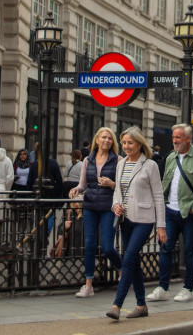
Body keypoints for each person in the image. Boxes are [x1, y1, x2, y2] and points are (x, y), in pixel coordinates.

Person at [146, 124, 193, 304]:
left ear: (188, 139)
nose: (175, 141)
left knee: (190, 250)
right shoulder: (170, 157)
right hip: (170, 211)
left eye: (179, 138)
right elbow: (165, 182)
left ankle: (188, 289)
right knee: (165, 248)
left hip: (189, 213)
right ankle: (163, 288)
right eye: (174, 137)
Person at [106, 127, 166, 320]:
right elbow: (117, 191)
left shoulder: (150, 165)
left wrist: (161, 226)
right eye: (123, 143)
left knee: (129, 257)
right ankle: (141, 305)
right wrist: (116, 205)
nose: (126, 146)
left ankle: (117, 304)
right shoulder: (120, 163)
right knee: (134, 262)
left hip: (144, 219)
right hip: (125, 219)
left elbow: (158, 196)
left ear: (140, 143)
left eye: (130, 143)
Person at [69, 127, 122, 298]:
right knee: (90, 245)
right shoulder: (87, 160)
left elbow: (121, 186)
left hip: (108, 207)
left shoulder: (118, 160)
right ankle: (88, 284)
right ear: (97, 140)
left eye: (110, 138)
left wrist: (111, 184)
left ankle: (123, 271)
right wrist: (76, 189)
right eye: (104, 137)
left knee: (107, 246)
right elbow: (83, 184)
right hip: (90, 205)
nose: (107, 141)